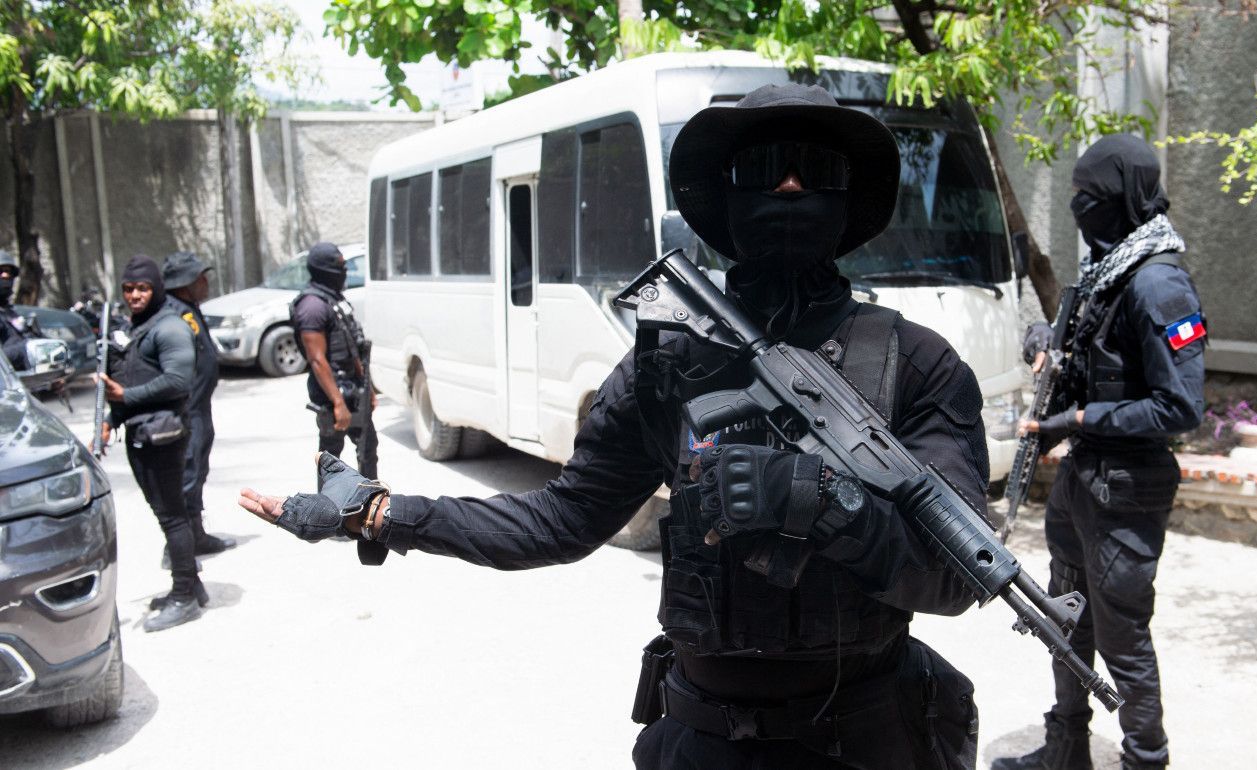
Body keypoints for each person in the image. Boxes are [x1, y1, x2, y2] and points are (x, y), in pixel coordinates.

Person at [238, 84, 990, 769]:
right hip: (703, 741)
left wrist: (826, 500)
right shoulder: (669, 364)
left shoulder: (917, 365)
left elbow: (960, 575)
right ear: (726, 199)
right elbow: (560, 521)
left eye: (816, 171)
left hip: (867, 741)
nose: (790, 188)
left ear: (848, 201)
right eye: (764, 168)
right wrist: (379, 513)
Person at [996, 134, 1205, 770]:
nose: (1079, 207)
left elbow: (1181, 407)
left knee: (1122, 638)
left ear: (1124, 198)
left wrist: (1082, 417)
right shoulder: (1108, 272)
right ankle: (1066, 750)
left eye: (1090, 196)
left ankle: (1145, 758)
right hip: (1084, 475)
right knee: (1064, 619)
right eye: (1075, 194)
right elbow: (1089, 352)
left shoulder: (1159, 284)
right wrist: (1045, 340)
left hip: (1128, 487)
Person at [101, 255, 206, 632]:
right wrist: (111, 419)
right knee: (170, 514)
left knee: (172, 517)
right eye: (128, 289)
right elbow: (129, 381)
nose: (134, 295)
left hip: (163, 437)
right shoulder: (138, 326)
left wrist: (124, 398)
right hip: (143, 432)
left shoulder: (170, 327)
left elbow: (178, 380)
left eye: (142, 288)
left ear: (157, 289)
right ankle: (193, 585)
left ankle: (184, 597)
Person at [162, 251, 236, 565]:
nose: (206, 282)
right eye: (199, 278)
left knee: (198, 472)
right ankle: (176, 549)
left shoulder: (188, 308)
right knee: (186, 476)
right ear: (184, 283)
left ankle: (196, 534)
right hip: (186, 411)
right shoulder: (172, 313)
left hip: (199, 408)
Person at [289, 242, 377, 480]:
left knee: (368, 450)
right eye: (339, 267)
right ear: (324, 269)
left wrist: (367, 387)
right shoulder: (312, 306)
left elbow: (352, 347)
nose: (344, 272)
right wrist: (338, 403)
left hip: (354, 389)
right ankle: (326, 503)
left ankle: (370, 500)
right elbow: (317, 360)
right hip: (332, 395)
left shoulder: (334, 300)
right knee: (331, 460)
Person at [0, 250, 43, 371]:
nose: (5, 276)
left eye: (8, 271)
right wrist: (26, 349)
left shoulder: (9, 312)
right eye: (0, 271)